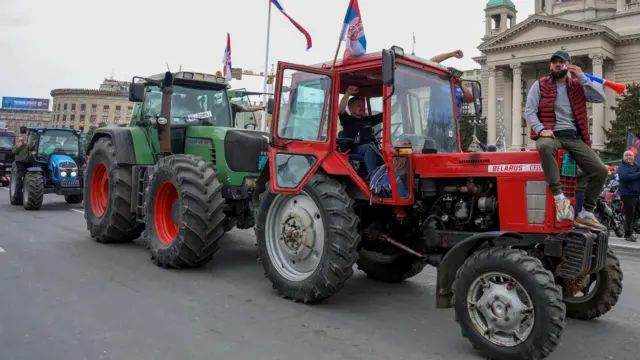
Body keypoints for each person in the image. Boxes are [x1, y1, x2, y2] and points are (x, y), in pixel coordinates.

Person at [525, 49, 608, 231]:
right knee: (545, 147)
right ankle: (559, 198)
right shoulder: (540, 85)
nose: (557, 64)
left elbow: (601, 97)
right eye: (554, 61)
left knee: (601, 171)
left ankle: (586, 212)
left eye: (561, 61)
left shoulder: (577, 85)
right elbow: (530, 110)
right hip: (551, 134)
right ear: (550, 65)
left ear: (568, 65)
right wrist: (541, 130)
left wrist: (582, 78)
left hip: (574, 137)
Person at [338, 85, 383, 177]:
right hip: (356, 148)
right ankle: (373, 177)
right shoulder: (347, 120)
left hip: (373, 147)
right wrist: (347, 94)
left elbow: (385, 114)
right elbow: (340, 110)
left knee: (387, 153)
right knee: (370, 148)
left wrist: (399, 98)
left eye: (362, 105)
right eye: (358, 106)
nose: (361, 107)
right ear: (350, 108)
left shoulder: (367, 120)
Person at [615, 150, 640, 242]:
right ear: (623, 157)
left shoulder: (635, 165)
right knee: (630, 214)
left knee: (637, 213)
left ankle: (631, 230)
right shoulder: (622, 166)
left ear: (633, 157)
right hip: (627, 194)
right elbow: (626, 177)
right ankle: (628, 234)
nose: (629, 157)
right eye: (627, 155)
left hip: (636, 193)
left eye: (630, 155)